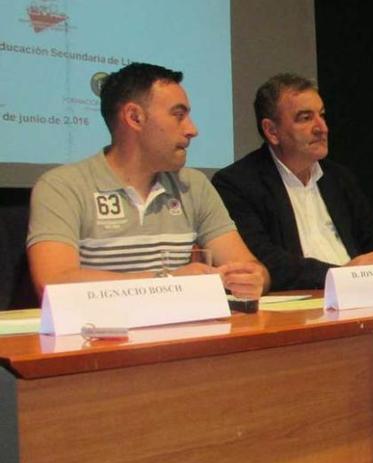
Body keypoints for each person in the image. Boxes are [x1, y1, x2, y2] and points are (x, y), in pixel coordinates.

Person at [27, 63, 269, 299]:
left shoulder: (194, 185)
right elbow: (53, 282)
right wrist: (167, 282)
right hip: (95, 335)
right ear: (135, 117)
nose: (192, 129)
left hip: (179, 334)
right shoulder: (63, 186)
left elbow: (248, 266)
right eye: (178, 115)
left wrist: (254, 278)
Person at [211, 74, 373, 290]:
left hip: (359, 296)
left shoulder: (339, 178)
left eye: (322, 115)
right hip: (297, 306)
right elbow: (266, 262)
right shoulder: (237, 183)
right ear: (272, 131)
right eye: (305, 118)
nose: (322, 128)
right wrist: (341, 275)